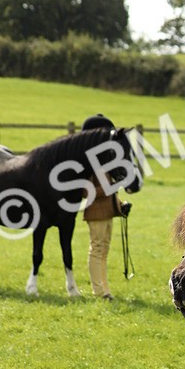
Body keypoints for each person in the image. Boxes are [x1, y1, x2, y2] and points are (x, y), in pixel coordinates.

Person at [80, 114, 131, 301]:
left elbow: (110, 190)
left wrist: (120, 204)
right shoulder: (87, 163)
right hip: (95, 212)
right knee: (97, 249)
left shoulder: (102, 160)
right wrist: (112, 187)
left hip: (108, 211)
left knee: (104, 251)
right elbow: (87, 192)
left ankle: (104, 289)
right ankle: (99, 291)